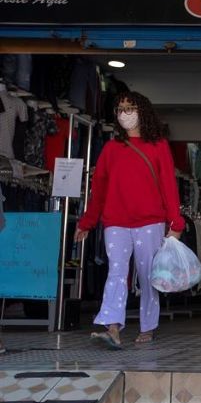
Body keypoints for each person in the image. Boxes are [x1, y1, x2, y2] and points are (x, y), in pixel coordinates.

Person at [75, 92, 183, 348]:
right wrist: (87, 222)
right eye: (120, 109)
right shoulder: (111, 149)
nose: (125, 114)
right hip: (116, 223)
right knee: (116, 272)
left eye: (130, 108)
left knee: (148, 275)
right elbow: (98, 189)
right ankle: (112, 326)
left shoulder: (158, 146)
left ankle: (148, 326)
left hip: (150, 222)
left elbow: (169, 186)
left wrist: (175, 223)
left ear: (142, 111)